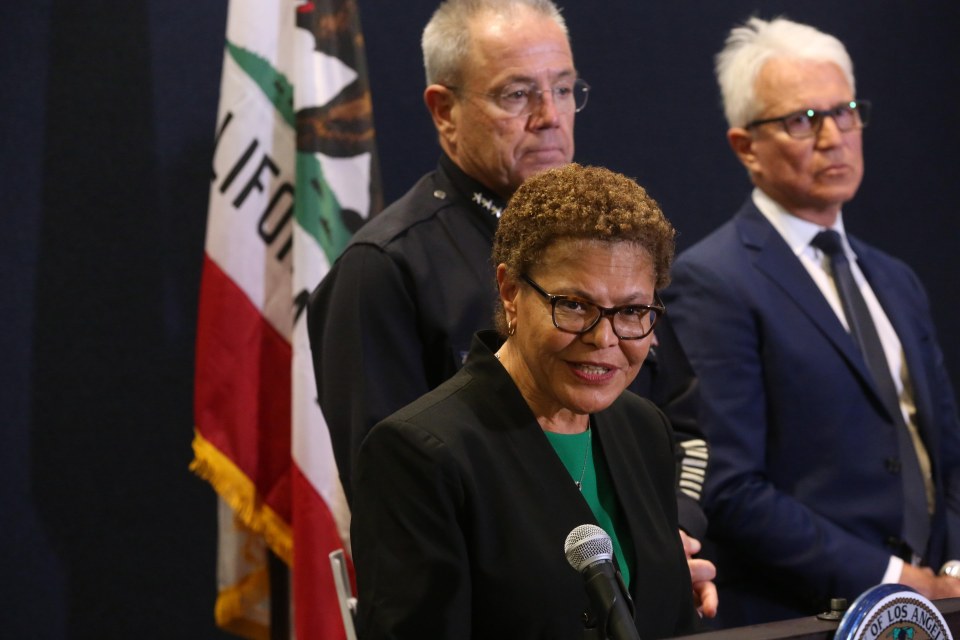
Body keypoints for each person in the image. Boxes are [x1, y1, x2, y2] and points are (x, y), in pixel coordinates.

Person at [306, 0, 713, 565]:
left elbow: (685, 429)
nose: (550, 115)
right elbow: (397, 500)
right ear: (444, 110)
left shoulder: (615, 248)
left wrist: (668, 539)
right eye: (517, 94)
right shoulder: (382, 270)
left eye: (565, 89)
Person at [661, 16, 960, 627]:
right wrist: (896, 581)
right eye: (802, 120)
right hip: (806, 614)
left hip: (938, 604)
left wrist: (949, 570)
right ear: (746, 147)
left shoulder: (896, 280)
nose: (834, 137)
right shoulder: (712, 281)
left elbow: (946, 451)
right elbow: (730, 488)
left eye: (845, 111)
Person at [351, 163, 704, 638]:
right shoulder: (419, 454)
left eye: (632, 311)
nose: (604, 338)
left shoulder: (645, 429)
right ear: (511, 292)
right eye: (575, 305)